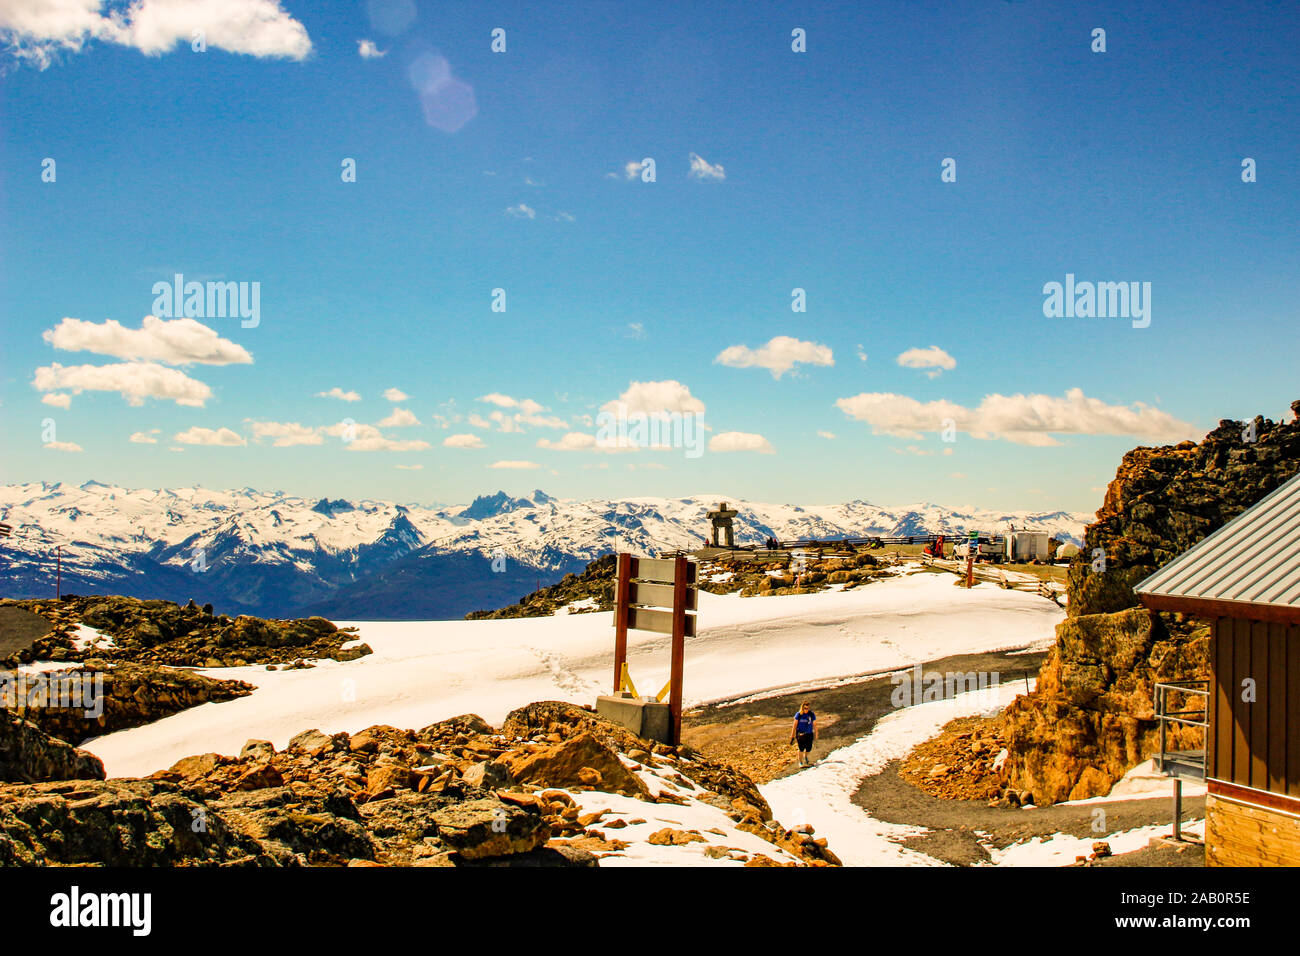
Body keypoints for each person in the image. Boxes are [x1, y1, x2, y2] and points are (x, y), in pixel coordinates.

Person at [789, 700, 818, 766]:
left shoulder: (811, 714)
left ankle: (806, 756)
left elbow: (815, 724)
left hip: (809, 733)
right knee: (801, 748)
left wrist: (816, 733)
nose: (806, 710)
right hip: (800, 734)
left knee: (809, 748)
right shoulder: (799, 714)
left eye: (807, 708)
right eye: (805, 708)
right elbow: (794, 725)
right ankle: (800, 762)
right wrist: (792, 736)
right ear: (802, 707)